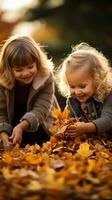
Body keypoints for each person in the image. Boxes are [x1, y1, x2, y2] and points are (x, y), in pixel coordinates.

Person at [0, 34, 54, 148]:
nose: (25, 73)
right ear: (9, 69)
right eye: (19, 70)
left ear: (37, 62)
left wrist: (21, 127)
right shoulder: (2, 82)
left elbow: (42, 109)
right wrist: (4, 134)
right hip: (12, 122)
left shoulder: (45, 77)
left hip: (40, 126)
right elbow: (2, 111)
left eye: (30, 67)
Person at [56, 42, 112, 138]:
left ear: (97, 80)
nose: (77, 92)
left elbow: (108, 120)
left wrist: (86, 127)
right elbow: (68, 118)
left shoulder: (108, 96)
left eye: (82, 86)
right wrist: (66, 127)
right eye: (72, 86)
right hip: (91, 145)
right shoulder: (72, 100)